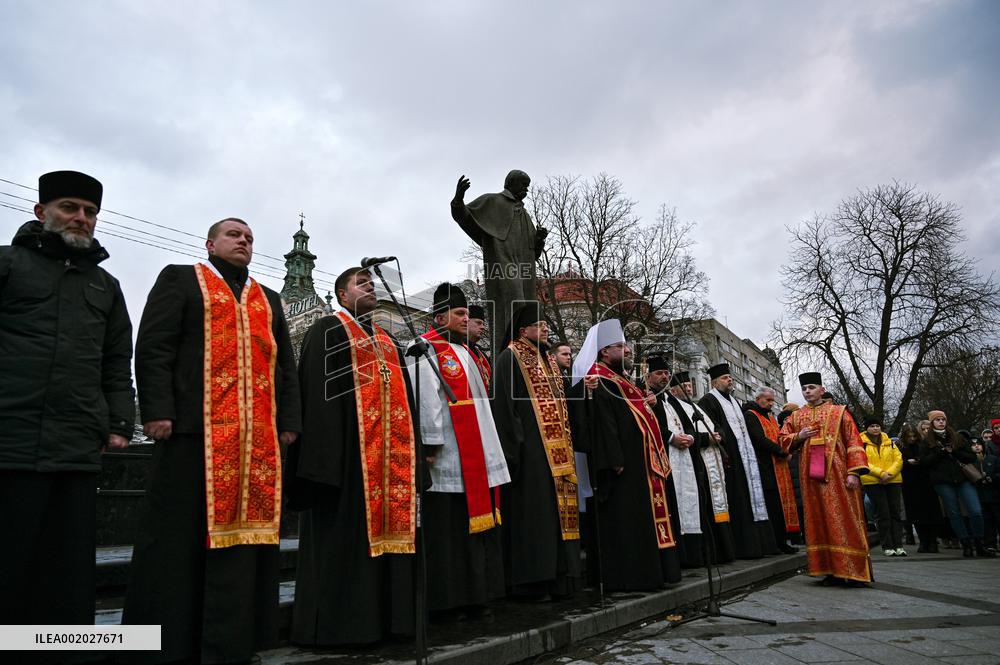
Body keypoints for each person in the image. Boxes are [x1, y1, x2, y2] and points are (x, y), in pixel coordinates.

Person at [123, 218, 301, 664]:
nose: (243, 241)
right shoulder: (181, 279)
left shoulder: (269, 299)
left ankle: (234, 641)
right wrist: (158, 410)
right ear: (210, 243)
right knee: (179, 539)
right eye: (234, 235)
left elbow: (285, 370)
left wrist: (289, 422)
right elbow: (154, 346)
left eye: (250, 238)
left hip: (254, 444)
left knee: (246, 544)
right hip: (192, 435)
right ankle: (170, 643)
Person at [0, 171, 134, 635]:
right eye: (69, 208)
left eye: (90, 211)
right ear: (41, 212)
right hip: (10, 436)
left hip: (77, 443)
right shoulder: (7, 264)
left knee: (67, 566)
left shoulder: (106, 285)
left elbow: (118, 361)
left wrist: (119, 421)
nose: (81, 218)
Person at [287, 266, 425, 645]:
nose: (370, 287)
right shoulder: (328, 328)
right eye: (361, 283)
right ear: (343, 295)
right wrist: (322, 463)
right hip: (347, 461)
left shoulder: (388, 340)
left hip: (389, 462)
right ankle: (343, 628)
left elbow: (406, 401)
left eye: (373, 283)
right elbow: (317, 395)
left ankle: (390, 621)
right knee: (344, 544)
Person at [407, 283, 509, 618]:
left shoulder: (467, 352)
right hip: (448, 458)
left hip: (476, 454)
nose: (467, 319)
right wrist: (430, 445)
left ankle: (476, 595)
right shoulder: (423, 348)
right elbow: (425, 401)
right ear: (440, 316)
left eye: (468, 314)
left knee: (472, 534)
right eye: (460, 313)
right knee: (448, 534)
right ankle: (448, 601)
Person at [574, 321, 681, 591]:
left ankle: (654, 572)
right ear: (604, 351)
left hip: (643, 463)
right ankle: (633, 576)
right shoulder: (599, 377)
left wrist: (650, 404)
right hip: (625, 465)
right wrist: (614, 460)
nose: (628, 350)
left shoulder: (621, 379)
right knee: (628, 521)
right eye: (621, 347)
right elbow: (604, 424)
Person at [491, 303, 581, 599]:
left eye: (546, 325)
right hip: (529, 454)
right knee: (534, 518)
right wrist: (516, 451)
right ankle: (532, 582)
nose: (545, 329)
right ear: (522, 330)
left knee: (555, 518)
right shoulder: (510, 357)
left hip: (558, 456)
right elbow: (505, 410)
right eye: (539, 325)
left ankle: (560, 575)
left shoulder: (551, 362)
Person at [778, 373, 872, 587]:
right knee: (818, 520)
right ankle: (829, 569)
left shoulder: (839, 413)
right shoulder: (795, 417)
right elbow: (782, 439)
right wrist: (798, 437)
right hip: (810, 480)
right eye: (804, 389)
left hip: (838, 476)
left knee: (844, 518)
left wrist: (853, 473)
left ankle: (853, 571)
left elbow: (854, 442)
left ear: (821, 389)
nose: (807, 391)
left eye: (811, 387)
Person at [451, 171, 547, 354]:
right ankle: (511, 353)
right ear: (511, 183)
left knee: (528, 312)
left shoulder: (525, 215)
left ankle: (528, 352)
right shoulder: (493, 202)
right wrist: (458, 199)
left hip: (525, 273)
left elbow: (533, 254)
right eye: (523, 184)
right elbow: (463, 216)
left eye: (528, 185)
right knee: (512, 308)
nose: (526, 189)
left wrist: (539, 240)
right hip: (503, 267)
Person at [698, 363, 778, 559]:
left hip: (746, 460)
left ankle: (760, 545)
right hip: (730, 460)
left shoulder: (734, 401)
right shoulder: (708, 401)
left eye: (730, 377)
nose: (730, 380)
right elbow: (712, 426)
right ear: (714, 382)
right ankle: (744, 548)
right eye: (725, 378)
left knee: (752, 501)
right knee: (738, 501)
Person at [645, 358, 719, 568]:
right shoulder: (647, 395)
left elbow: (688, 425)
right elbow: (651, 425)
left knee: (690, 502)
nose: (664, 377)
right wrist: (671, 438)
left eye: (666, 373)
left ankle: (694, 556)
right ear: (648, 376)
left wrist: (691, 438)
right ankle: (680, 557)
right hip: (665, 457)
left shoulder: (671, 398)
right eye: (659, 373)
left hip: (685, 458)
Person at [664, 370, 735, 563]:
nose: (688, 389)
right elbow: (689, 433)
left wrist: (718, 434)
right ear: (674, 390)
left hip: (714, 460)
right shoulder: (675, 406)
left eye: (689, 386)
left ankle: (725, 551)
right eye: (684, 387)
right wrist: (707, 438)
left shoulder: (696, 407)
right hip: (700, 460)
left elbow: (716, 425)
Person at [918, 410, 995, 558]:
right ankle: (966, 544)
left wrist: (954, 451)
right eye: (937, 419)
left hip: (962, 478)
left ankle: (979, 543)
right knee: (954, 513)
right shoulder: (927, 441)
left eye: (943, 419)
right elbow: (925, 462)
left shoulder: (957, 437)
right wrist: (940, 453)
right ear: (932, 422)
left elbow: (971, 456)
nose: (941, 422)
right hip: (943, 481)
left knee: (976, 511)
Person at [743, 387, 800, 554]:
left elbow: (779, 437)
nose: (771, 403)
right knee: (772, 507)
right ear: (758, 398)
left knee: (779, 506)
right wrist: (781, 452)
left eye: (772, 400)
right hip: (765, 467)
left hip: (778, 466)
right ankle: (773, 543)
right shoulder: (751, 415)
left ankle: (782, 541)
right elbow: (759, 439)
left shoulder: (770, 417)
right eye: (767, 400)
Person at [859, 416, 905, 556]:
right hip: (873, 481)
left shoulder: (889, 442)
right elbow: (862, 461)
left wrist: (889, 473)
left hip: (893, 480)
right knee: (882, 513)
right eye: (872, 426)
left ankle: (899, 545)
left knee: (895, 513)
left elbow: (898, 459)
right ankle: (887, 545)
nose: (875, 428)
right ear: (866, 428)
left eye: (877, 426)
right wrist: (880, 474)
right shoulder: (861, 443)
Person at [898, 423, 942, 553]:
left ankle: (932, 541)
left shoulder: (923, 445)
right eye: (909, 436)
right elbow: (897, 461)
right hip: (910, 483)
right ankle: (923, 541)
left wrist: (920, 460)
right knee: (916, 514)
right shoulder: (900, 448)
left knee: (931, 512)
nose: (912, 439)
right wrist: (907, 462)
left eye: (913, 436)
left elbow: (931, 459)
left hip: (926, 481)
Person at [972, 438, 999, 552]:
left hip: (995, 496)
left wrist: (991, 478)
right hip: (981, 496)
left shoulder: (993, 459)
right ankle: (990, 543)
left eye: (978, 444)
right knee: (987, 522)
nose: (977, 446)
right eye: (973, 445)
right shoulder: (972, 462)